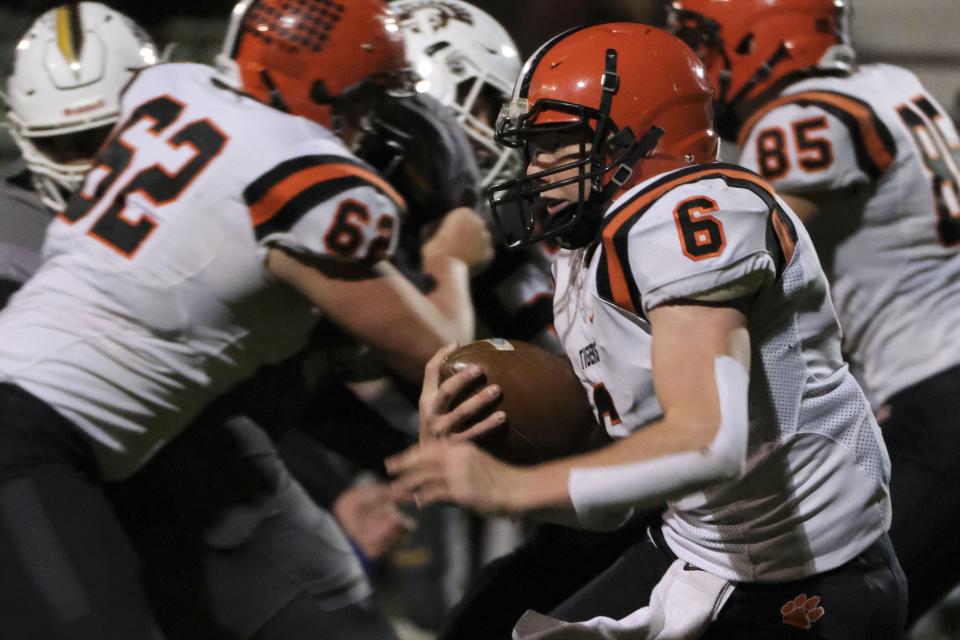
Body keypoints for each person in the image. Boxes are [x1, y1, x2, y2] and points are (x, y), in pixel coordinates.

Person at [387, 23, 906, 639]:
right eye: (533, 145)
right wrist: (474, 454)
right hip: (698, 547)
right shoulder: (582, 257)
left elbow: (709, 442)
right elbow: (614, 506)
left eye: (557, 141)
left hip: (810, 583)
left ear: (638, 138)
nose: (536, 165)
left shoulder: (689, 215)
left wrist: (514, 486)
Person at [0, 0, 487, 637]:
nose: (364, 121)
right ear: (322, 89)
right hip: (31, 439)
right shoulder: (303, 180)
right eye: (362, 99)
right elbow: (444, 351)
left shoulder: (169, 92)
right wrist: (451, 254)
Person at [668, 0, 960, 624]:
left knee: (822, 617)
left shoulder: (799, 120)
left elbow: (739, 263)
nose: (700, 63)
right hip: (936, 380)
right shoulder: (891, 84)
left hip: (938, 399)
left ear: (758, 38)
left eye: (705, 41)